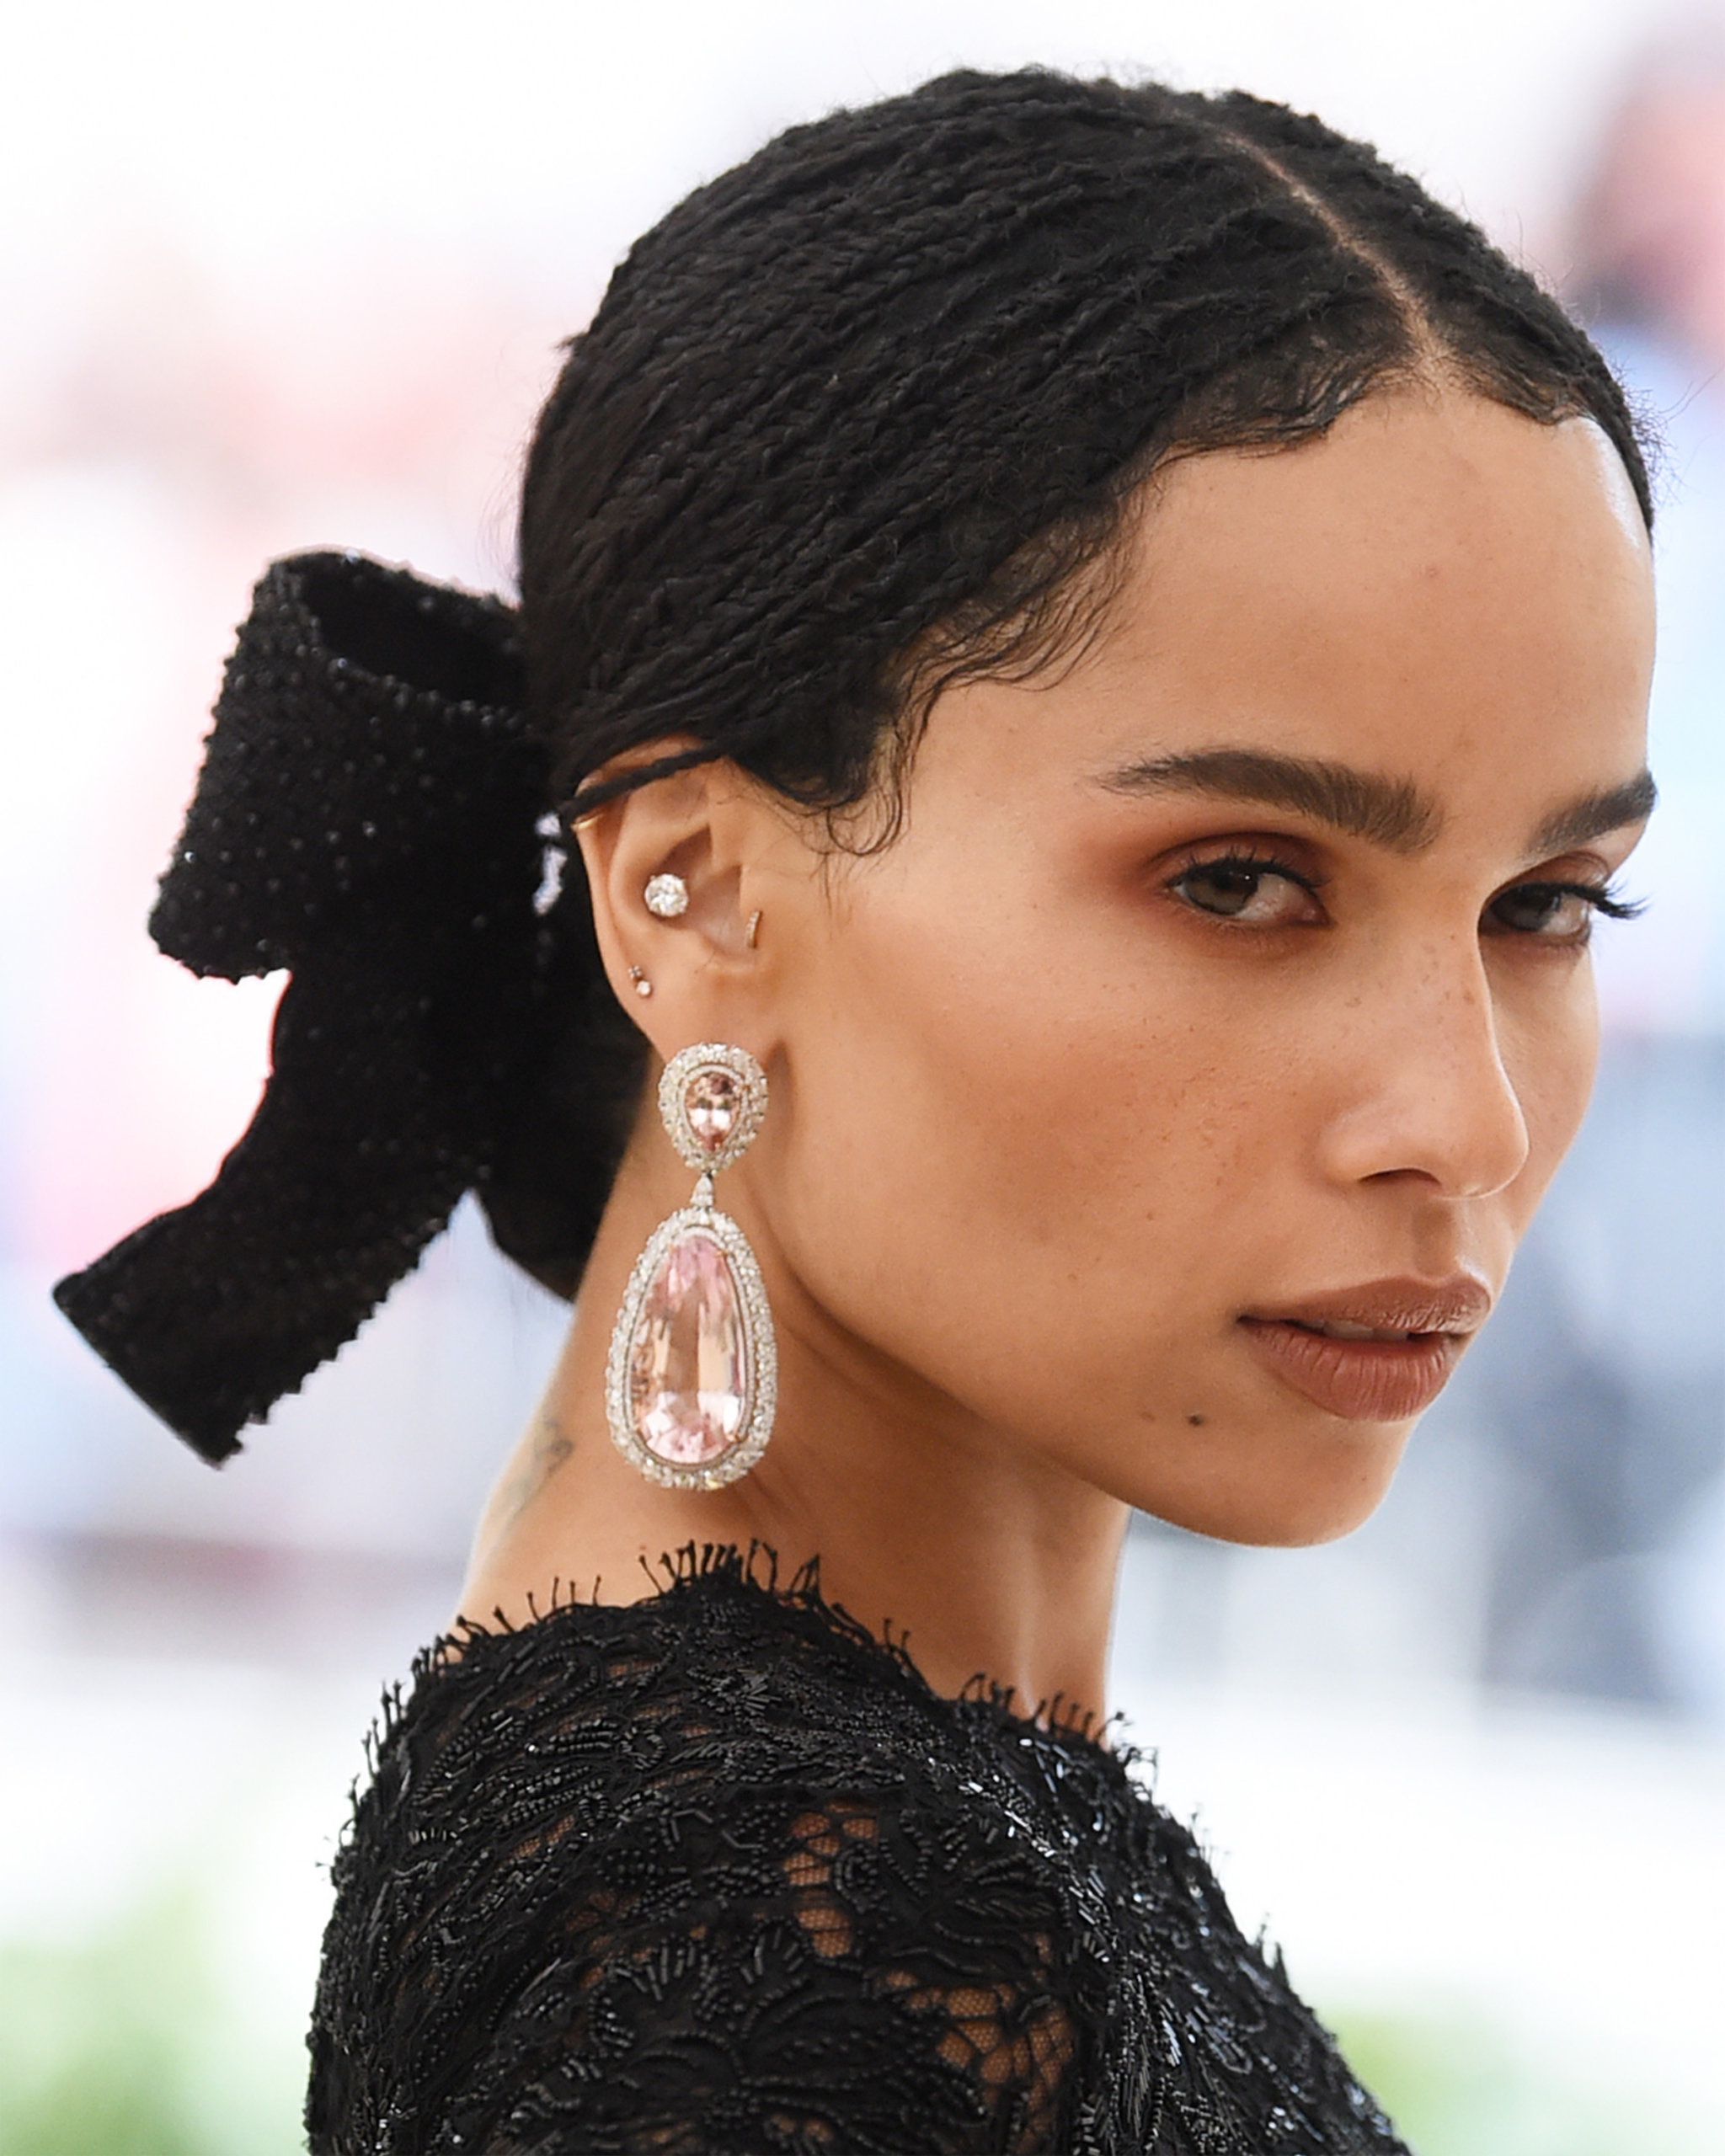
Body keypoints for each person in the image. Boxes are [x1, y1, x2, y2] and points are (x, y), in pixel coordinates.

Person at [56, 69, 1655, 2155]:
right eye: (1240, 879)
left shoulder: (858, 1844)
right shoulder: (783, 1964)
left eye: (1547, 903)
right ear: (692, 893)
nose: (1462, 1117)